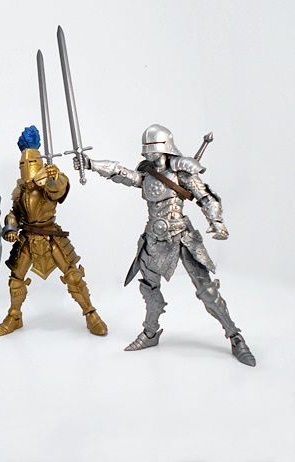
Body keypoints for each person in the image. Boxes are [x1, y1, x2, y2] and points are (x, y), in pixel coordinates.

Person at [74, 124, 255, 366]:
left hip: (182, 237)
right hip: (153, 238)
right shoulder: (148, 173)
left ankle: (235, 336)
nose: (149, 153)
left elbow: (206, 197)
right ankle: (150, 333)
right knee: (149, 289)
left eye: (153, 148)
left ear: (164, 147)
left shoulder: (182, 170)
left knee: (207, 291)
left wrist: (217, 222)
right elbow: (123, 173)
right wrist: (91, 164)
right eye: (147, 149)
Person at [0, 126, 108, 337]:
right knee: (16, 279)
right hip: (27, 238)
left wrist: (53, 177)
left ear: (38, 162)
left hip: (51, 236)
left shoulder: (48, 180)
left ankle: (91, 314)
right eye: (23, 163)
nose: (26, 167)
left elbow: (57, 191)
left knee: (73, 276)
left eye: (30, 162)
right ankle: (14, 316)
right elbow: (14, 213)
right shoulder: (19, 190)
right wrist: (10, 227)